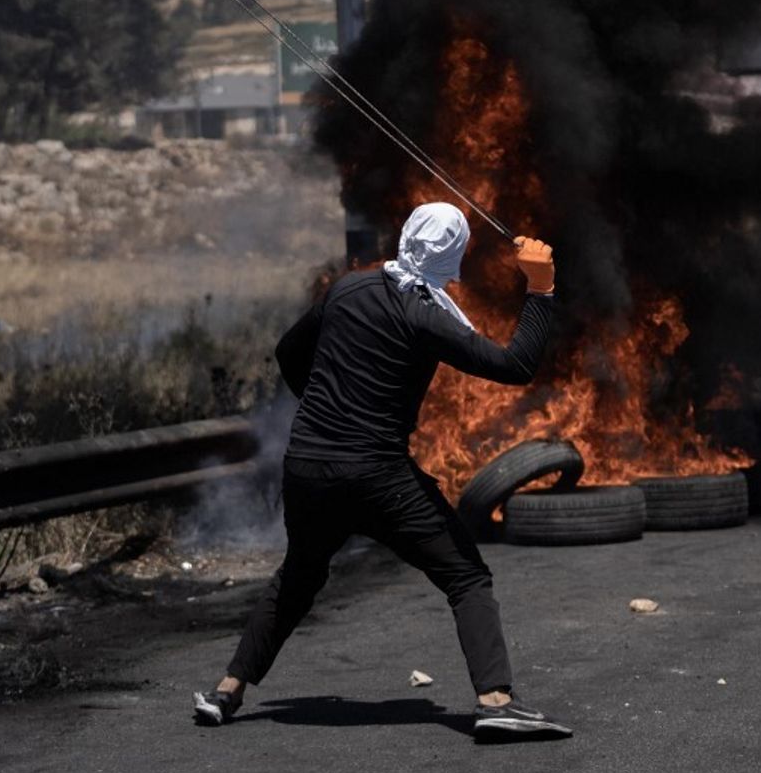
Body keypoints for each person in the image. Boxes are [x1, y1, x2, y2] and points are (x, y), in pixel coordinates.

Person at [193, 201, 569, 738]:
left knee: (299, 576)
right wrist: (541, 289)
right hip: (375, 475)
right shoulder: (426, 316)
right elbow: (515, 365)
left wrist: (324, 412)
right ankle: (496, 701)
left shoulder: (348, 289)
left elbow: (286, 351)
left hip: (308, 466)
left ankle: (226, 693)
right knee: (465, 575)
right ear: (454, 256)